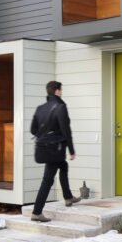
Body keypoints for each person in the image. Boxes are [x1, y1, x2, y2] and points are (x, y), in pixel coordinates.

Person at [30, 80, 77, 220]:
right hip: (55, 150)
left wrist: (45, 134)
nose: (62, 92)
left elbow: (33, 130)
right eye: (61, 90)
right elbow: (66, 130)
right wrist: (71, 150)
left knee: (64, 166)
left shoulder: (40, 108)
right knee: (47, 180)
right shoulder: (60, 107)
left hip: (44, 148)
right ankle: (37, 212)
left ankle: (68, 197)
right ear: (57, 91)